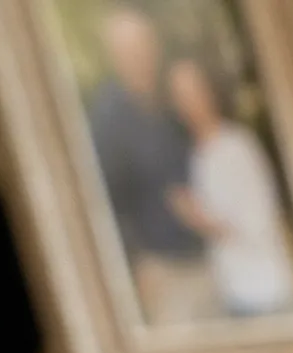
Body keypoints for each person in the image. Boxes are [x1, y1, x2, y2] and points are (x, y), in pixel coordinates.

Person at [85, 6, 221, 325]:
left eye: (145, 45)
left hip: (210, 259)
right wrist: (136, 264)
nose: (140, 56)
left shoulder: (174, 100)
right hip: (163, 273)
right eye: (129, 49)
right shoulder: (107, 119)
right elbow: (107, 203)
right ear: (113, 54)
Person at [165, 59, 293, 318]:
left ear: (211, 92)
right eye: (180, 96)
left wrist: (198, 218)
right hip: (234, 292)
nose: (189, 102)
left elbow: (257, 223)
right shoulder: (197, 156)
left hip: (266, 294)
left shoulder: (238, 147)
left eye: (194, 91)